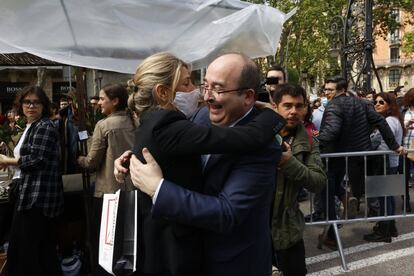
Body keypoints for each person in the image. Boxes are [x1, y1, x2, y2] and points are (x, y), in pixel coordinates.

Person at [118, 52, 282, 276]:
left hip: (232, 266)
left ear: (248, 96)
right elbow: (173, 150)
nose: (206, 96)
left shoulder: (263, 148)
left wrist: (158, 189)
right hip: (185, 258)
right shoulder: (200, 117)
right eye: (205, 86)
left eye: (219, 89)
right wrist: (132, 159)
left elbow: (228, 213)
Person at [318, 76, 405, 248]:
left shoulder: (334, 105)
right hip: (361, 157)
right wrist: (395, 146)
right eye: (325, 89)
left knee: (327, 191)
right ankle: (346, 199)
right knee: (382, 193)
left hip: (339, 157)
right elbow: (379, 121)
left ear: (341, 90)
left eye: (330, 89)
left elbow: (332, 131)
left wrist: (315, 144)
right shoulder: (361, 104)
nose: (327, 92)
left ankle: (332, 233)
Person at [0, 86, 63, 276]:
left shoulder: (44, 126)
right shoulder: (30, 126)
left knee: (25, 251)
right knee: (40, 252)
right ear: (21, 105)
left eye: (36, 102)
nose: (31, 106)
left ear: (44, 106)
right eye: (27, 102)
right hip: (29, 192)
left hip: (38, 197)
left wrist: (7, 161)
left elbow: (37, 160)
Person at [77, 83, 136, 275]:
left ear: (115, 101)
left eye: (102, 99)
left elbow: (92, 161)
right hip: (133, 189)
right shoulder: (134, 120)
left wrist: (79, 159)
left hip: (108, 191)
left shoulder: (104, 125)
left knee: (106, 242)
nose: (99, 103)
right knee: (128, 241)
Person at [270, 84, 326, 276]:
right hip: (255, 229)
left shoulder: (310, 140)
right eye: (287, 105)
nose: (294, 111)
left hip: (288, 231)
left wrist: (289, 163)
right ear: (275, 106)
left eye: (299, 106)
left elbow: (318, 182)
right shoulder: (257, 132)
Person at [363, 92, 403, 242]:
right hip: (388, 162)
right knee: (388, 196)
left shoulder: (390, 121)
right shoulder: (390, 119)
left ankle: (384, 230)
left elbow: (381, 139)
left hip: (386, 163)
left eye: (381, 102)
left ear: (390, 105)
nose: (377, 104)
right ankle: (390, 227)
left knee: (384, 197)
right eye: (376, 102)